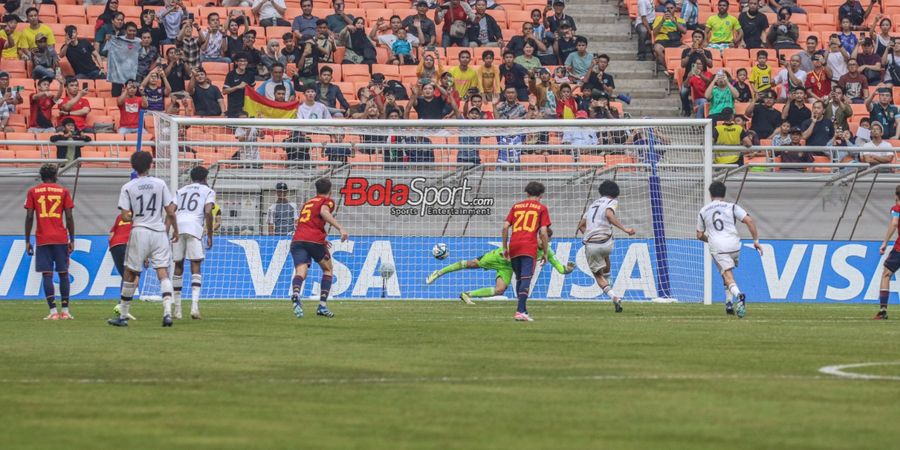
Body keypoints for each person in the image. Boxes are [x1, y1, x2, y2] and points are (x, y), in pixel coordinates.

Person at [109, 151, 180, 328]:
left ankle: (123, 315)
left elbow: (125, 216)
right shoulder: (160, 183)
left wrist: (134, 213)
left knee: (130, 272)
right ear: (151, 164)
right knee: (162, 271)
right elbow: (170, 212)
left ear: (132, 165)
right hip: (158, 231)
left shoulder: (128, 187)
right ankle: (167, 313)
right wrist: (176, 231)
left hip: (140, 230)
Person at [427, 227, 575, 304]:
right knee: (471, 264)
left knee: (500, 290)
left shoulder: (547, 251)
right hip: (499, 257)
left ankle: (467, 295)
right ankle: (438, 272)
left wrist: (567, 269)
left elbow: (560, 269)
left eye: (545, 239)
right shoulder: (526, 241)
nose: (542, 241)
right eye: (541, 238)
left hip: (508, 267)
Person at [697, 181, 761, 318]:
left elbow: (699, 235)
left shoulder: (703, 211)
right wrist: (756, 241)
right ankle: (729, 303)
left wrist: (710, 239)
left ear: (710, 194)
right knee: (725, 273)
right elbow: (749, 220)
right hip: (735, 245)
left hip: (719, 247)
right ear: (724, 194)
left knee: (728, 276)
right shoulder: (732, 207)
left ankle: (739, 296)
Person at [289, 178, 349, 319]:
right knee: (328, 270)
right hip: (314, 240)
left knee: (301, 272)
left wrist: (321, 236)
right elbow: (323, 212)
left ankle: (296, 293)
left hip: (297, 240)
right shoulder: (326, 202)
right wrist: (340, 228)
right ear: (330, 190)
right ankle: (322, 306)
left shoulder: (307, 203)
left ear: (316, 190)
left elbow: (301, 222)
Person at [24, 164, 75, 321]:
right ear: (56, 175)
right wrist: (72, 239)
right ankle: (65, 311)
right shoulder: (63, 191)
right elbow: (69, 216)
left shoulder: (33, 191)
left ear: (41, 175)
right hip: (60, 237)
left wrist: (27, 240)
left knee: (47, 274)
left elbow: (30, 216)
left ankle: (53, 312)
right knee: (63, 273)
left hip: (43, 238)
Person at [576, 180, 635, 313]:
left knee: (597, 275)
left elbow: (580, 225)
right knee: (605, 253)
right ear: (615, 193)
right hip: (607, 242)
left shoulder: (592, 205)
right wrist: (625, 229)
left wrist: (588, 234)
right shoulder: (612, 201)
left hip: (592, 244)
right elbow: (609, 214)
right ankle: (609, 278)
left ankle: (613, 296)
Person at [501, 181, 551, 322]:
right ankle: (520, 311)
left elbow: (505, 227)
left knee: (519, 279)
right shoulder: (541, 208)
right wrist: (545, 252)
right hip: (529, 246)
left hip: (514, 245)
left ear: (527, 193)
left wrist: (505, 248)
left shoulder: (516, 206)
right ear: (541, 195)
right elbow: (543, 231)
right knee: (526, 279)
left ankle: (523, 309)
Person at [171, 166, 216, 321]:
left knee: (178, 265)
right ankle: (194, 307)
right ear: (205, 178)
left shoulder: (181, 190)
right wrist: (209, 234)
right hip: (193, 228)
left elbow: (171, 210)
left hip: (178, 226)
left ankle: (177, 310)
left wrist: (168, 230)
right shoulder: (208, 191)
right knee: (195, 264)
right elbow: (209, 212)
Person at [875, 183, 900, 320]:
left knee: (886, 274)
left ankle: (883, 310)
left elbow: (895, 223)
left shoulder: (896, 208)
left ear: (896, 196)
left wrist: (885, 242)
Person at [106, 22, 141, 98]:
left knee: (136, 94)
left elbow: (142, 56)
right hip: (119, 72)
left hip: (133, 73)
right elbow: (108, 50)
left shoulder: (139, 41)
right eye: (130, 30)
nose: (132, 32)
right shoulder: (118, 40)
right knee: (116, 95)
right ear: (125, 31)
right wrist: (109, 40)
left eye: (134, 31)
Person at [651, 2, 686, 67]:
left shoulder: (680, 20)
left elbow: (684, 31)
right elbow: (654, 33)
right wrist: (662, 21)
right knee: (657, 49)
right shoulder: (658, 19)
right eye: (667, 8)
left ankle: (678, 67)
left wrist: (674, 22)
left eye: (671, 8)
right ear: (664, 9)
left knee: (687, 49)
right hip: (662, 40)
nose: (669, 9)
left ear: (675, 9)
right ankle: (667, 68)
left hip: (675, 41)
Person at [223, 53, 256, 118]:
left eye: (245, 61)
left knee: (247, 127)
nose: (243, 63)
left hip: (246, 107)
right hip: (233, 108)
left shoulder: (251, 75)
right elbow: (224, 91)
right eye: (241, 61)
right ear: (236, 62)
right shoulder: (231, 75)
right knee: (233, 127)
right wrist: (238, 86)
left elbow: (252, 90)